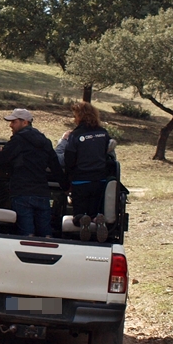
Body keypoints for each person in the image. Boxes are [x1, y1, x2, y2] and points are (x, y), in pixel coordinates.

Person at [0, 108, 65, 237]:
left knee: (26, 234)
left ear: (25, 122)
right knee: (46, 234)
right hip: (42, 193)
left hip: (21, 192)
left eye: (14, 122)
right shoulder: (45, 142)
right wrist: (66, 185)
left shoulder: (18, 140)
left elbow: (1, 160)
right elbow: (55, 166)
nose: (10, 125)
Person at [59, 101, 113, 242]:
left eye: (75, 115)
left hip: (80, 180)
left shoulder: (76, 135)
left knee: (78, 212)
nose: (74, 119)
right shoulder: (103, 133)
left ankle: (81, 219)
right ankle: (96, 219)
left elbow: (69, 159)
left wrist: (67, 182)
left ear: (80, 116)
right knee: (94, 209)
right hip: (100, 180)